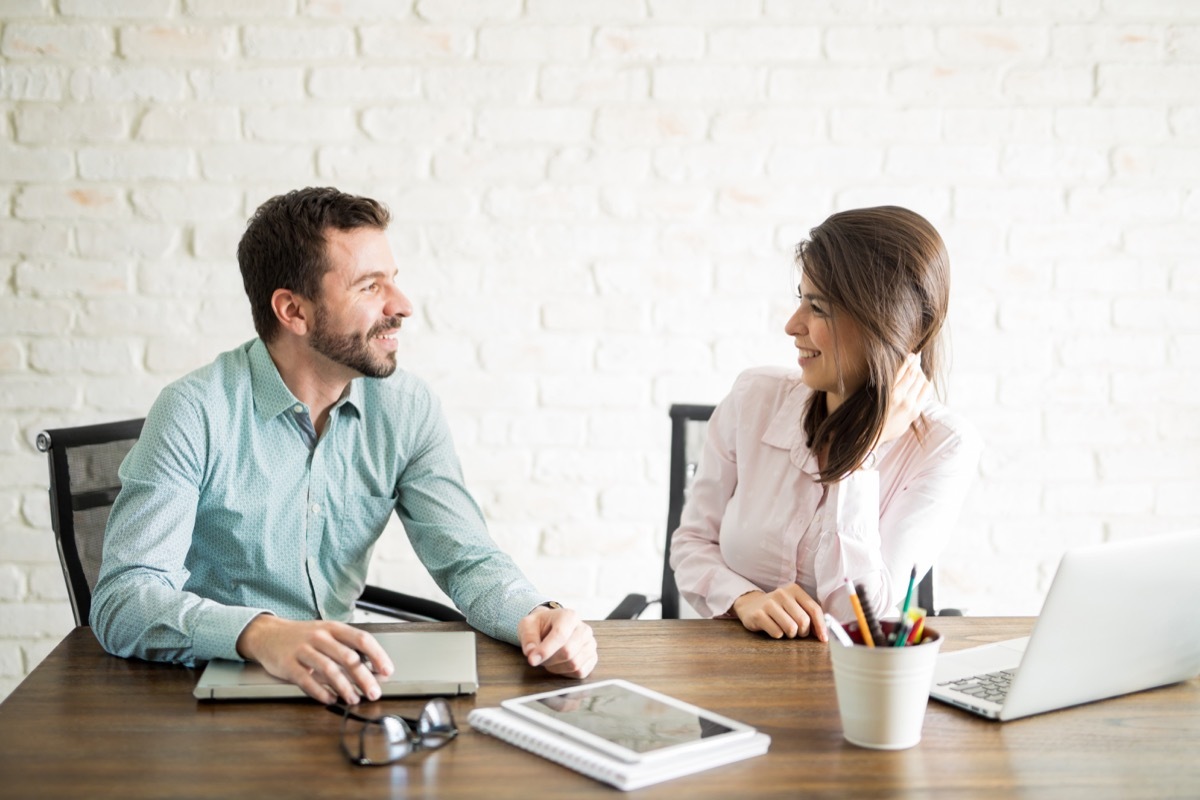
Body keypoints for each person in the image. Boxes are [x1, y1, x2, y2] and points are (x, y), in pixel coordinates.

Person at [91, 187, 597, 703]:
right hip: (200, 692)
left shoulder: (406, 407)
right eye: (369, 287)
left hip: (341, 687)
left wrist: (535, 615)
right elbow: (122, 600)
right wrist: (262, 635)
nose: (401, 306)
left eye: (393, 281)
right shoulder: (193, 412)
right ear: (294, 311)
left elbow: (467, 558)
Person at [669, 206, 982, 642]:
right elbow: (691, 544)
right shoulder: (752, 398)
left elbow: (863, 619)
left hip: (853, 687)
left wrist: (863, 457)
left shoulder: (944, 446)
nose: (791, 325)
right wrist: (745, 599)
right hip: (732, 676)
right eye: (801, 298)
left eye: (817, 308)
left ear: (889, 323)